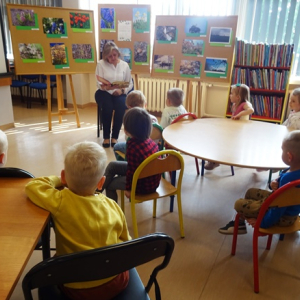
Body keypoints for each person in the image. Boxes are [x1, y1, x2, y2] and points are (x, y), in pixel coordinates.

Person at [25, 141, 131, 300]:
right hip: (116, 282)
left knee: (56, 263)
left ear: (63, 176)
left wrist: (60, 180)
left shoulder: (60, 201)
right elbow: (126, 242)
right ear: (101, 182)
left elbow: (32, 186)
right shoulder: (113, 206)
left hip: (77, 290)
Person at [219, 130, 300, 235]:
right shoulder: (292, 171)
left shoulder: (287, 179)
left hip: (283, 218)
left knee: (239, 204)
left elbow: (278, 209)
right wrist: (274, 183)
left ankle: (240, 223)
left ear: (289, 156)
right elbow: (285, 187)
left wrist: (262, 223)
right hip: (288, 211)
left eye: (282, 150)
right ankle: (240, 224)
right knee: (250, 192)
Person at [102, 107, 161, 202]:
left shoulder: (133, 146)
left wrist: (129, 189)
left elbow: (131, 172)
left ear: (127, 129)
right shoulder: (151, 142)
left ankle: (113, 212)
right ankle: (96, 192)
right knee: (112, 165)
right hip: (151, 181)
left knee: (110, 185)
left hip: (142, 185)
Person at [205, 83, 254, 170]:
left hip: (239, 134)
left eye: (232, 93)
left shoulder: (244, 104)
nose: (230, 95)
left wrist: (240, 114)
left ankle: (215, 161)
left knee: (220, 140)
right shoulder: (235, 105)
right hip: (233, 130)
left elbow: (251, 110)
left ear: (238, 96)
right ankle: (212, 158)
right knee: (215, 135)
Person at [95, 41, 133, 148]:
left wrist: (122, 91)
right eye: (110, 56)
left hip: (119, 92)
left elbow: (129, 83)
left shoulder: (124, 65)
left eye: (115, 55)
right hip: (104, 92)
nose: (112, 58)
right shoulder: (101, 64)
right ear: (105, 56)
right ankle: (106, 137)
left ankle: (114, 137)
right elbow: (98, 82)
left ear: (118, 54)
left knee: (121, 105)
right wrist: (107, 87)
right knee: (108, 107)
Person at [113, 90, 157, 161]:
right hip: (152, 150)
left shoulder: (130, 121)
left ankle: (124, 164)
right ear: (145, 105)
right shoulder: (154, 119)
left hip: (136, 151)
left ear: (129, 107)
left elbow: (128, 138)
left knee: (116, 146)